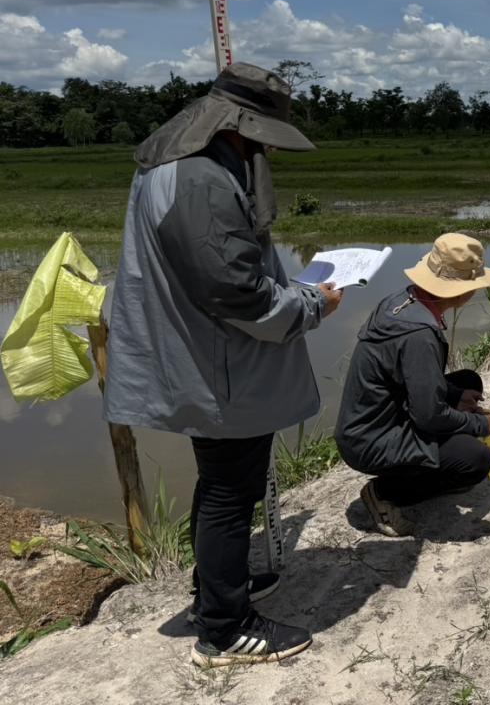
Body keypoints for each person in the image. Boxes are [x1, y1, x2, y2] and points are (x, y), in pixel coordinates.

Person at [104, 62, 343, 668]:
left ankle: (217, 590)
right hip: (218, 370)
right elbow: (236, 293)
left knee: (220, 488)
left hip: (200, 359)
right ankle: (225, 628)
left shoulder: (172, 167)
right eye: (260, 134)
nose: (264, 147)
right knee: (229, 495)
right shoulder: (203, 181)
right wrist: (313, 302)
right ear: (236, 125)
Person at [335, 233, 490, 538]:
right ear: (460, 291)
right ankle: (384, 492)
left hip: (378, 417)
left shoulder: (405, 299)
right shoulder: (419, 335)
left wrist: (455, 394)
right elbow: (428, 416)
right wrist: (478, 424)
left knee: (467, 382)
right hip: (370, 439)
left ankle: (423, 467)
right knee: (475, 460)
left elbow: (409, 378)